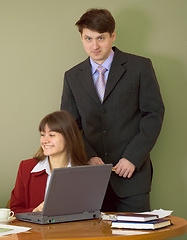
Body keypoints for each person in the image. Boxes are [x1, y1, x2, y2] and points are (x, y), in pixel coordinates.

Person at [60, 8, 165, 212]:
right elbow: (70, 125)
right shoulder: (72, 76)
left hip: (132, 178)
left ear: (112, 35)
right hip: (90, 179)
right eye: (88, 38)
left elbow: (153, 115)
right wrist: (88, 156)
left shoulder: (140, 67)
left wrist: (133, 157)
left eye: (101, 38)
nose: (95, 46)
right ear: (81, 38)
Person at [10, 111, 89, 213]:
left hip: (71, 229)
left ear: (68, 137)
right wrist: (34, 211)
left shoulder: (85, 172)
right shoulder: (26, 167)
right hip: (35, 229)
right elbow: (14, 210)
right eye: (43, 135)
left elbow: (90, 213)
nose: (45, 140)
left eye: (51, 135)